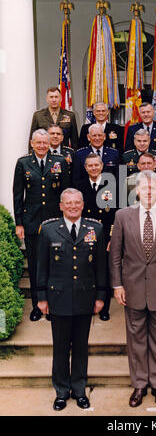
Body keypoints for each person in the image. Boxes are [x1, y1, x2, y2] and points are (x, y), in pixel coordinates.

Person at [109, 170, 156, 408]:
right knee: (136, 339)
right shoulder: (122, 216)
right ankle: (140, 384)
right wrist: (117, 284)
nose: (149, 192)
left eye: (153, 188)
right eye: (145, 188)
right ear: (138, 191)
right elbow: (115, 256)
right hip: (131, 288)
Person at [36, 188, 107, 411]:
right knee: (60, 347)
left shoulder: (95, 228)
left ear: (83, 204)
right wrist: (41, 298)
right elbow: (41, 267)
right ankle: (61, 391)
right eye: (69, 203)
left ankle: (79, 389)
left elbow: (101, 268)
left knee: (80, 347)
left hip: (85, 296)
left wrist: (101, 296)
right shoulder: (48, 230)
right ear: (61, 206)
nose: (73, 206)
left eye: (77, 202)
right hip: (58, 298)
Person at [13, 129, 70, 321]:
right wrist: (19, 223)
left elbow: (66, 192)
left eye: (45, 143)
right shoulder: (23, 163)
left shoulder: (59, 162)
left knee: (56, 264)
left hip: (55, 222)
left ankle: (53, 305)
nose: (42, 146)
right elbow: (18, 196)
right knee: (36, 265)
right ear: (32, 143)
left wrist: (66, 220)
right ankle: (38, 306)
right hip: (32, 222)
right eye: (38, 143)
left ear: (49, 144)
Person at [77, 153, 117, 321]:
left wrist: (111, 238)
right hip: (85, 236)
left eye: (96, 165)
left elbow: (116, 214)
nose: (93, 168)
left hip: (105, 237)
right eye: (90, 165)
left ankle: (104, 307)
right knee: (85, 271)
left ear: (102, 166)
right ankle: (86, 305)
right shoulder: (79, 186)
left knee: (104, 272)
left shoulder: (112, 185)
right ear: (85, 168)